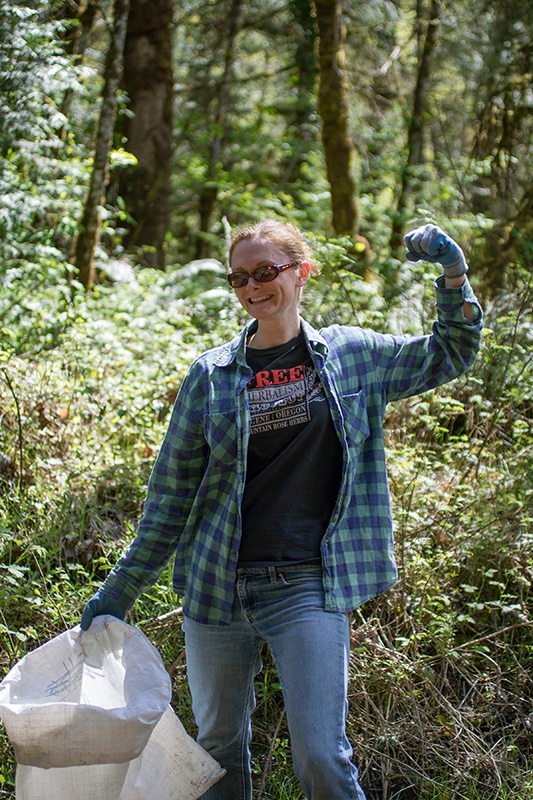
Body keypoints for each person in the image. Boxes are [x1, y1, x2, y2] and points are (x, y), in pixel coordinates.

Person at [81, 220, 482, 800]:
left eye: (267, 271)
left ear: (302, 272)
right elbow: (170, 496)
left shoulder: (352, 355)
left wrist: (452, 272)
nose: (254, 286)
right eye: (240, 276)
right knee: (217, 750)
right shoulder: (212, 376)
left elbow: (451, 350)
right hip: (217, 589)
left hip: (306, 586)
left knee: (321, 755)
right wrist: (120, 589)